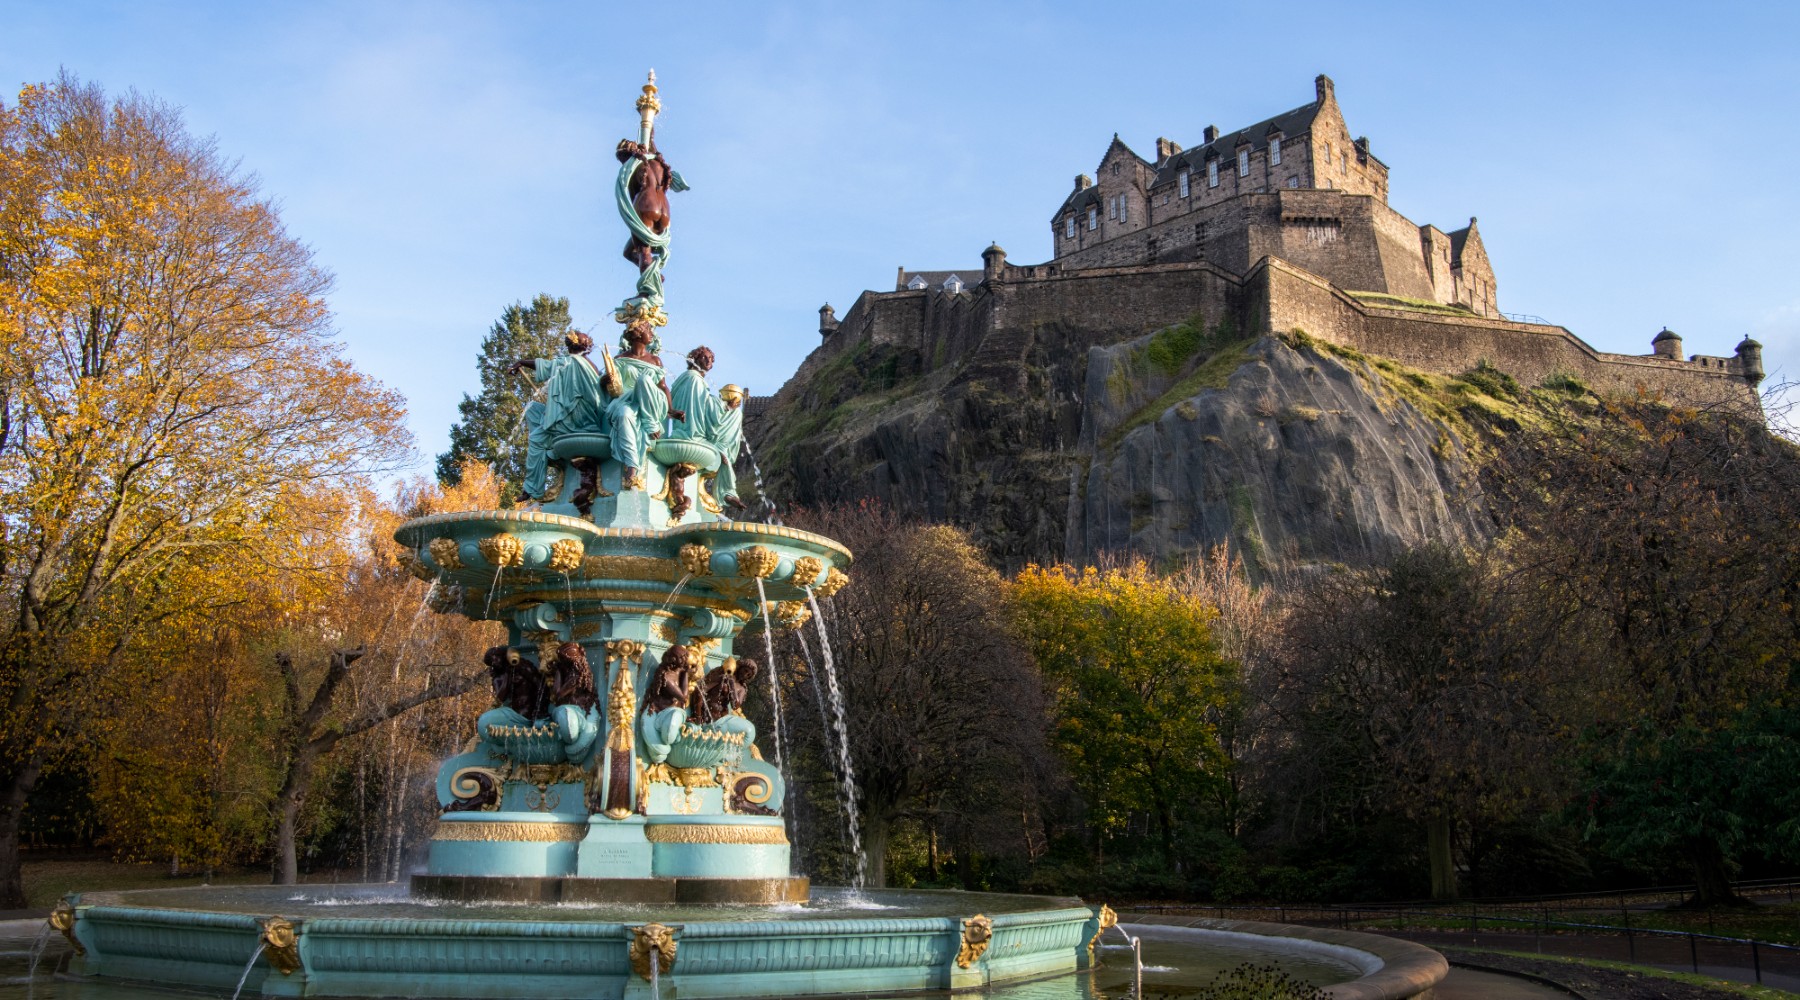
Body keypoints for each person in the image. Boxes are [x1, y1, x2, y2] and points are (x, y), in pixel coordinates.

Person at [510, 331, 605, 505]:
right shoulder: (587, 364)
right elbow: (546, 367)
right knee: (533, 408)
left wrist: (521, 362)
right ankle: (547, 441)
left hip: (574, 420)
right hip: (578, 417)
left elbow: (544, 366)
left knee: (537, 439)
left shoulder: (569, 361)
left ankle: (531, 488)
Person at [606, 322, 678, 490]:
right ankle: (632, 465)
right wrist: (607, 379)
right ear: (639, 335)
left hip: (652, 401)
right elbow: (607, 385)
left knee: (644, 380)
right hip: (628, 401)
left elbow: (663, 387)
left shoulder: (655, 360)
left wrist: (671, 409)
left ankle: (649, 422)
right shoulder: (620, 360)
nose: (652, 335)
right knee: (623, 414)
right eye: (649, 331)